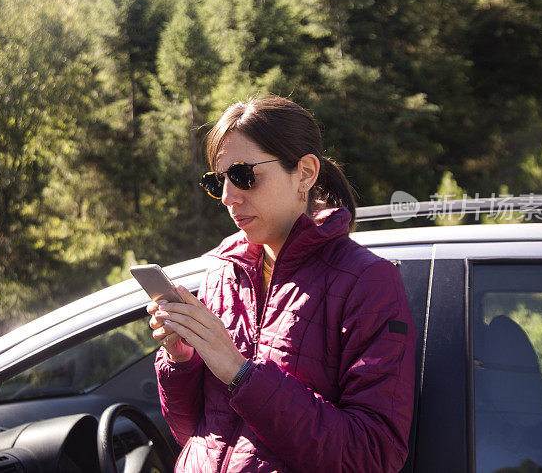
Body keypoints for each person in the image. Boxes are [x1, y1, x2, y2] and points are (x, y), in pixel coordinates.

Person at [147, 96, 415, 472]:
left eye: (243, 175)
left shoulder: (367, 282)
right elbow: (190, 430)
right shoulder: (222, 272)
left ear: (305, 173)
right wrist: (181, 357)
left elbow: (372, 454)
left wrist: (239, 374)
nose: (227, 197)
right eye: (216, 181)